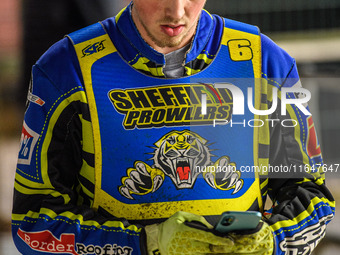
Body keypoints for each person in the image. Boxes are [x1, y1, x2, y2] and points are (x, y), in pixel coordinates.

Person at [12, 0, 335, 254]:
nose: (177, 12)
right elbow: (32, 224)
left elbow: (311, 194)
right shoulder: (67, 66)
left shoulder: (264, 59)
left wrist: (274, 242)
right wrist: (145, 243)